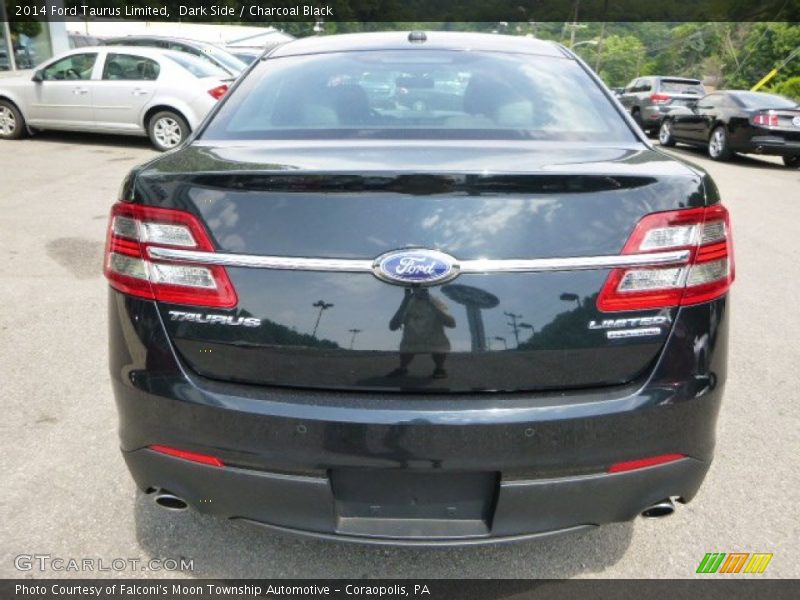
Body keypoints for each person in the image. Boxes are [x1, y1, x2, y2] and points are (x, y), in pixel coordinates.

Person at [388, 288, 456, 379]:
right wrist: (405, 302)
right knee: (410, 344)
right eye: (416, 287)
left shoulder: (436, 302)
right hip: (411, 342)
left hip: (435, 342)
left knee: (439, 344)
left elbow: (451, 323)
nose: (418, 291)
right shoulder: (408, 304)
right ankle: (402, 368)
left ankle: (440, 368)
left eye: (423, 288)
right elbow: (393, 326)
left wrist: (430, 302)